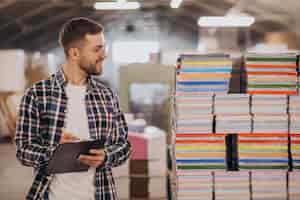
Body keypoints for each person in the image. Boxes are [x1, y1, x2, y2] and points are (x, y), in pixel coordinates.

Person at [15, 17, 131, 200]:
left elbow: (124, 146)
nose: (104, 54)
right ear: (75, 53)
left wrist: (106, 156)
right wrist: (54, 151)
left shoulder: (107, 96)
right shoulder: (37, 95)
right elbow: (23, 152)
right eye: (97, 49)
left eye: (104, 47)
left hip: (101, 194)